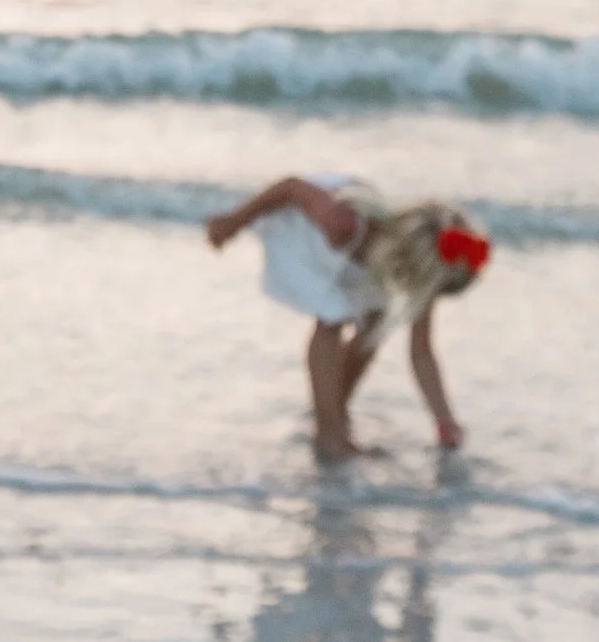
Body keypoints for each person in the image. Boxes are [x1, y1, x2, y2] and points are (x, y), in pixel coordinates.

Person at [205, 169, 490, 463]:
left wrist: (445, 421)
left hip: (367, 257)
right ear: (414, 265)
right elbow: (290, 187)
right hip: (307, 230)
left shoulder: (419, 270)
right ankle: (329, 435)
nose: (425, 297)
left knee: (376, 323)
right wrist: (234, 221)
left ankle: (335, 409)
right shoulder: (344, 221)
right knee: (332, 318)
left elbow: (422, 353)